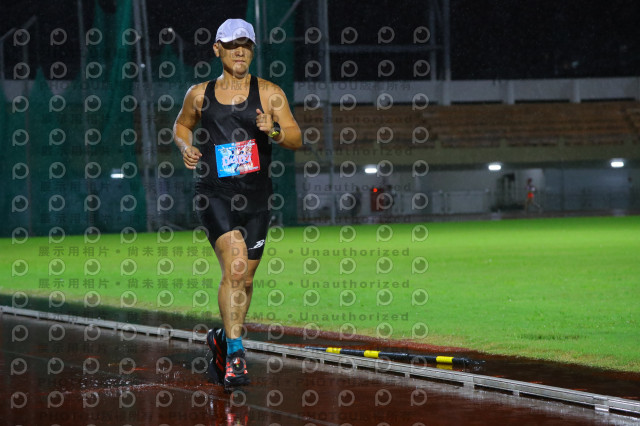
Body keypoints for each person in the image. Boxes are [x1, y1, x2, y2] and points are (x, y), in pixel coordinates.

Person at [173, 18, 302, 388]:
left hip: (257, 198)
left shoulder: (270, 93)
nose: (239, 51)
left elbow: (295, 137)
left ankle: (221, 338)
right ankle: (235, 353)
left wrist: (272, 130)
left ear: (253, 49)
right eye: (231, 45)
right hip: (214, 194)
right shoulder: (200, 94)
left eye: (245, 45)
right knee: (235, 267)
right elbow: (181, 126)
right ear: (218, 49)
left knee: (244, 279)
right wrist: (185, 147)